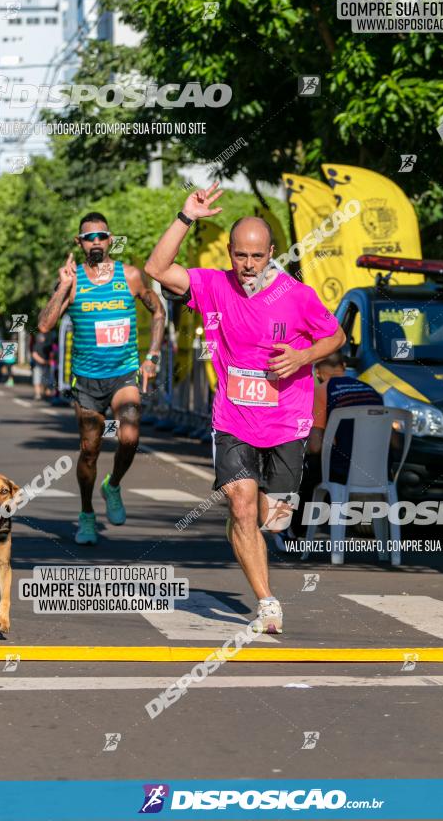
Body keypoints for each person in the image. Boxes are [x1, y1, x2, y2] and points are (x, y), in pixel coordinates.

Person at [144, 183, 346, 634]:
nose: (248, 265)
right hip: (233, 417)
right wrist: (185, 216)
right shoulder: (213, 285)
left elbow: (336, 337)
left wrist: (302, 357)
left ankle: (252, 530)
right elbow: (156, 268)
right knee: (240, 504)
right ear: (231, 253)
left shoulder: (297, 295)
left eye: (257, 256)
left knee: (273, 521)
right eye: (240, 256)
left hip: (285, 419)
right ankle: (267, 601)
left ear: (271, 252)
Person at [37, 211, 165, 545]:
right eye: (88, 237)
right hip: (87, 381)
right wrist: (63, 286)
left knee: (130, 435)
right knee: (89, 451)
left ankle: (113, 485)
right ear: (79, 243)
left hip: (124, 375)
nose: (96, 242)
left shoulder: (131, 276)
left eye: (101, 236)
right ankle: (86, 515)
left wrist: (152, 355)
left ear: (110, 240)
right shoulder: (73, 279)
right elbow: (44, 325)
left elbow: (159, 311)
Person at [280, 351, 383, 547]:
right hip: (378, 471)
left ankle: (293, 531)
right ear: (344, 367)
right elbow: (394, 442)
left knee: (305, 469)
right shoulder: (372, 391)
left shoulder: (322, 392)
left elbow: (315, 446)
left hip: (343, 471)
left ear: (317, 372)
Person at [31, 329, 56, 400]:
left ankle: (42, 394)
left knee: (43, 381)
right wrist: (44, 361)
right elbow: (34, 355)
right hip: (40, 365)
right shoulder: (37, 345)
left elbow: (52, 354)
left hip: (45, 365)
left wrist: (47, 361)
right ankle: (39, 394)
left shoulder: (47, 345)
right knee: (39, 380)